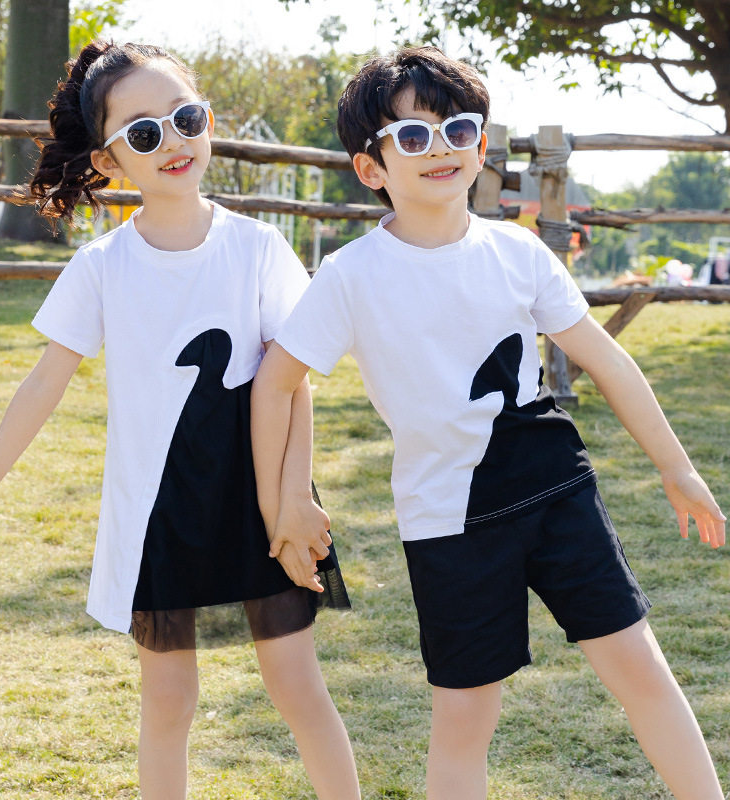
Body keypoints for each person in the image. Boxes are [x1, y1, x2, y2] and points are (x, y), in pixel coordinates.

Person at [250, 46, 726, 800]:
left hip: (556, 492)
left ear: (480, 147)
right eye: (413, 136)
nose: (440, 149)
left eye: (459, 129)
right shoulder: (349, 277)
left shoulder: (518, 251)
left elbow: (607, 361)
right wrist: (286, 502)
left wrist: (678, 468)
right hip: (448, 520)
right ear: (370, 168)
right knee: (466, 717)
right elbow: (275, 384)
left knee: (642, 670)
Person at [0, 41, 360, 800]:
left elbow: (293, 384)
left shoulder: (257, 248)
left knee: (297, 686)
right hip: (160, 513)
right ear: (108, 161)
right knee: (168, 702)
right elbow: (42, 384)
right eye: (143, 132)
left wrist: (293, 499)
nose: (171, 141)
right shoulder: (102, 266)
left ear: (208, 122)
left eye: (184, 118)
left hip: (262, 497)